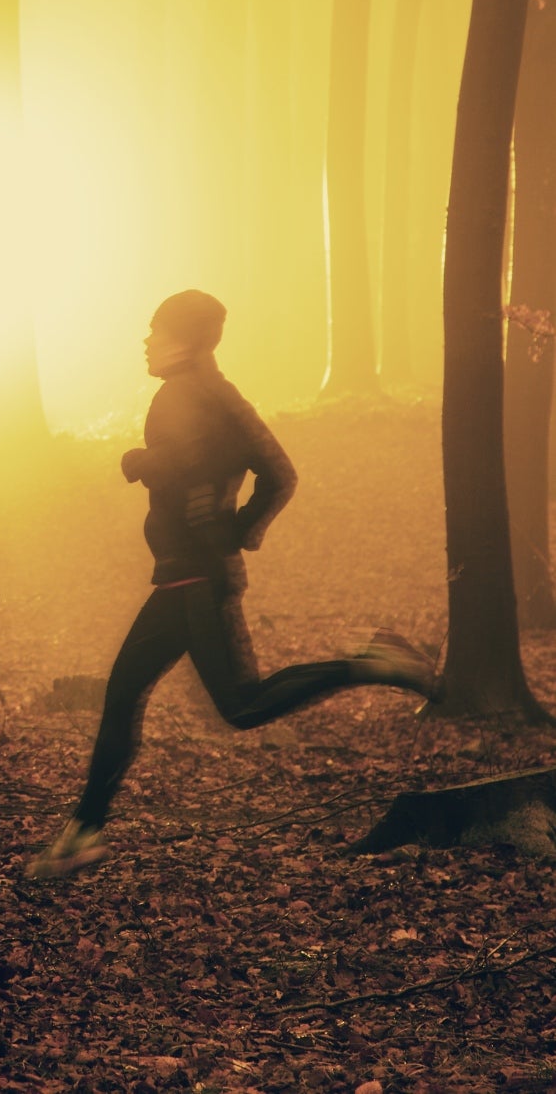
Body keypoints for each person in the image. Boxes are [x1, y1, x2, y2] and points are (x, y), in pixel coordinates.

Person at [25, 289, 438, 880]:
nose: (145, 341)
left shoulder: (194, 397)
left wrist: (151, 470)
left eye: (155, 331)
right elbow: (249, 470)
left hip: (198, 579)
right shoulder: (208, 396)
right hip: (183, 576)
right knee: (122, 696)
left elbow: (226, 467)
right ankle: (83, 835)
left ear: (185, 341)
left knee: (241, 704)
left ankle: (372, 663)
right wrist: (226, 519)